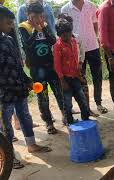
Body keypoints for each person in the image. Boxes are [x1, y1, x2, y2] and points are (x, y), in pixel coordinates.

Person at [0, 5, 52, 169]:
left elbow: (17, 66)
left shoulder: (8, 40)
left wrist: (27, 81)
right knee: (5, 127)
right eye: (8, 23)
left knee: (25, 117)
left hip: (20, 90)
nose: (10, 27)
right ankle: (8, 157)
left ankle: (32, 145)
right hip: (4, 95)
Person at [19, 2, 65, 134]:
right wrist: (35, 31)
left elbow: (53, 41)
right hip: (36, 68)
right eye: (34, 16)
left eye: (40, 16)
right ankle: (49, 122)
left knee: (58, 91)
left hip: (50, 65)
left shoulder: (44, 25)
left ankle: (65, 116)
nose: (38, 19)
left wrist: (43, 28)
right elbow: (27, 46)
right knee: (42, 95)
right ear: (28, 15)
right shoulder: (23, 27)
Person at [61, 0, 108, 115]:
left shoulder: (91, 6)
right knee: (81, 79)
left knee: (97, 76)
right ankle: (86, 108)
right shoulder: (65, 9)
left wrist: (94, 36)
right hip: (76, 51)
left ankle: (99, 103)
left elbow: (95, 24)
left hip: (93, 46)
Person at [54, 16, 90, 125]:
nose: (68, 36)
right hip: (65, 79)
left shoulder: (74, 41)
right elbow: (57, 65)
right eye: (64, 35)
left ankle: (86, 120)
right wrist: (62, 81)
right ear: (59, 35)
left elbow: (76, 58)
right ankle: (69, 122)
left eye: (69, 33)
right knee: (68, 103)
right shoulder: (57, 46)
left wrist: (79, 72)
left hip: (75, 77)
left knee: (82, 99)